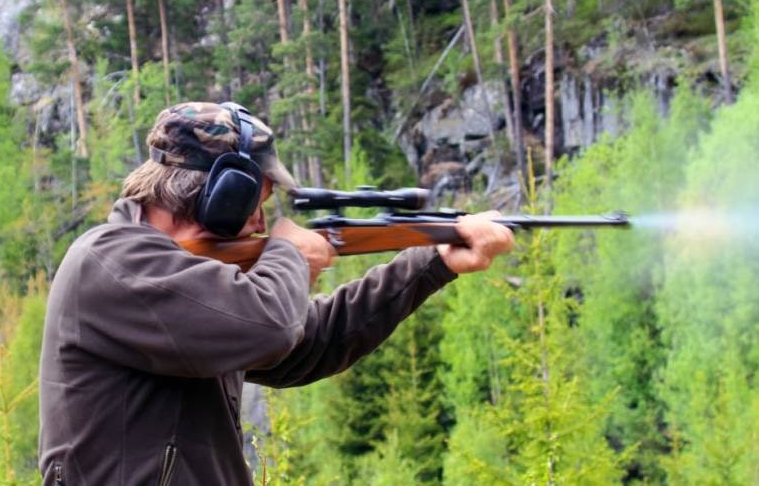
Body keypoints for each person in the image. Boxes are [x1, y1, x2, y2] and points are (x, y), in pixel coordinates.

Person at [38, 102, 514, 486]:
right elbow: (269, 326)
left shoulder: (184, 278)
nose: (262, 222)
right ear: (220, 196)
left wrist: (433, 261)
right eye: (255, 203)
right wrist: (288, 254)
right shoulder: (110, 261)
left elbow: (308, 345)